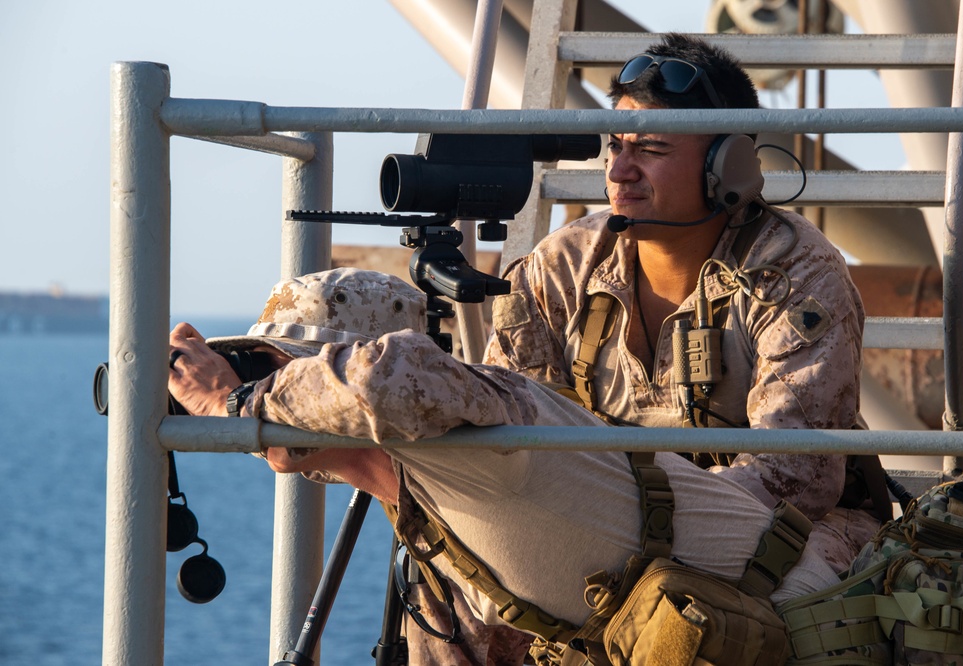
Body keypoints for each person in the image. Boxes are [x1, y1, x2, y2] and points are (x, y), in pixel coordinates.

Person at [167, 267, 841, 665]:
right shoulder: (426, 510)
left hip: (812, 638)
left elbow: (390, 377)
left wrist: (237, 398)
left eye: (280, 369)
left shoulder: (484, 431)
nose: (271, 396)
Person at [483, 33, 885, 572]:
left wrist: (628, 517)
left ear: (728, 166)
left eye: (650, 149)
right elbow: (507, 433)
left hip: (759, 528)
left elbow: (794, 478)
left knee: (795, 586)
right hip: (594, 517)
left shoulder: (793, 274)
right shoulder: (563, 267)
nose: (620, 171)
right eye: (616, 146)